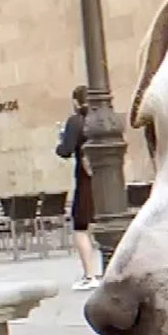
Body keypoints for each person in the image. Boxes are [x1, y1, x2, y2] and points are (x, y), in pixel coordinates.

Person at [55, 85, 101, 291]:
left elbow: (65, 150)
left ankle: (90, 274)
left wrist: (61, 139)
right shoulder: (100, 119)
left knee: (80, 227)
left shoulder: (76, 121)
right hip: (105, 179)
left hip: (85, 179)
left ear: (76, 101)